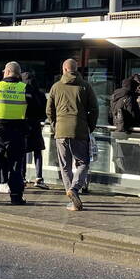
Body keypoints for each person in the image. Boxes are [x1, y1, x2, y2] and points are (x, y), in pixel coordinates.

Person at [46, 58, 99, 211]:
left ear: (64, 70)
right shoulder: (85, 86)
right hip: (79, 130)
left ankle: (71, 195)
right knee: (83, 163)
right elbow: (94, 109)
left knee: (65, 166)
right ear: (77, 69)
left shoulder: (56, 87)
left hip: (61, 131)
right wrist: (89, 126)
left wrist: (55, 125)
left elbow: (49, 110)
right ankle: (75, 189)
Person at [0, 62, 30, 205]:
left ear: (7, 72)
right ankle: (16, 197)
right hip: (18, 132)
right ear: (18, 74)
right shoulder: (25, 88)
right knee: (16, 166)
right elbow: (38, 108)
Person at [21, 71, 49, 189]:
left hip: (23, 124)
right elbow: (45, 110)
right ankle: (39, 178)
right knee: (37, 151)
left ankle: (22, 178)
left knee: (22, 152)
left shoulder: (21, 91)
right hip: (36, 124)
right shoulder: (40, 94)